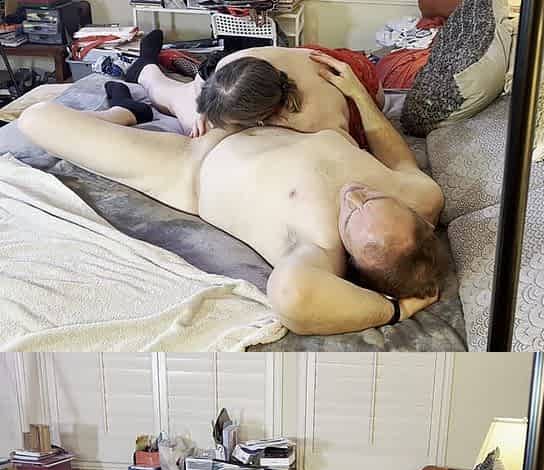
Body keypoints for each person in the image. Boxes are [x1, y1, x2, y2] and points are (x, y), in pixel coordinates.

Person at [18, 51, 446, 336]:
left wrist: (394, 310)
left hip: (192, 165)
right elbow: (399, 157)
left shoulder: (319, 250)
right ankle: (156, 83)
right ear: (414, 217)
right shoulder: (420, 197)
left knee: (36, 118)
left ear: (352, 260)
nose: (354, 194)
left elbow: (294, 301)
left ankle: (128, 106)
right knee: (239, 79)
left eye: (351, 215)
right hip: (269, 119)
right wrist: (358, 94)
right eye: (374, 197)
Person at [123, 30, 384, 147]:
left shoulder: (319, 121)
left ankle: (147, 72)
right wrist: (203, 110)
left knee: (194, 120)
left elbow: (361, 155)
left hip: (362, 83)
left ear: (264, 118)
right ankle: (146, 70)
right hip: (321, 58)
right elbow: (211, 75)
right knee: (196, 114)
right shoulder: (235, 61)